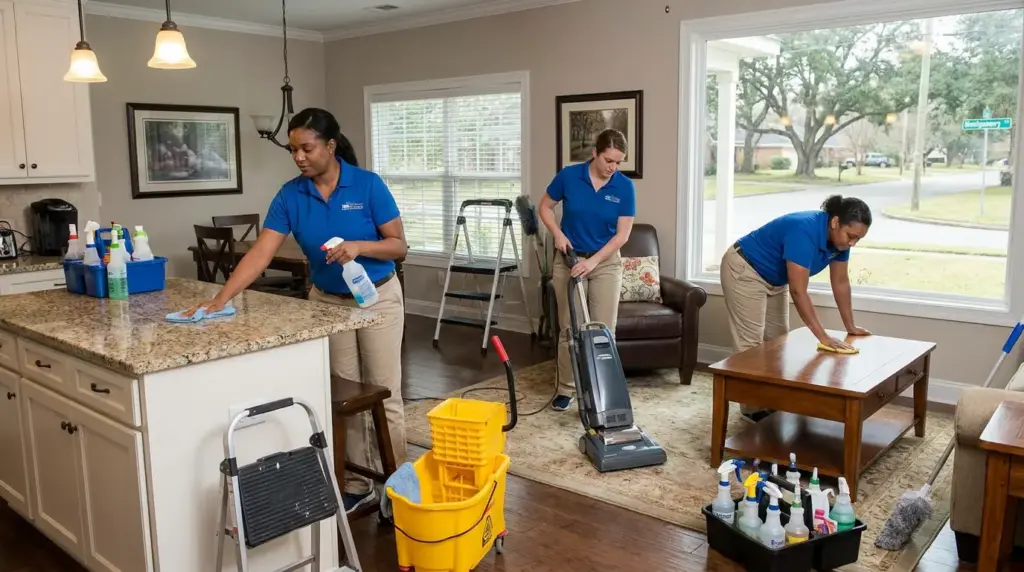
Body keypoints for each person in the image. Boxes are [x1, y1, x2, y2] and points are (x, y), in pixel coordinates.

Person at [185, 107, 407, 513]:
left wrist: (360, 246)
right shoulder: (291, 194)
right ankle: (358, 484)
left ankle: (398, 489)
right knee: (346, 397)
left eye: (307, 148)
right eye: (293, 150)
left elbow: (398, 245)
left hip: (377, 299)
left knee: (384, 393)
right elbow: (261, 253)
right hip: (328, 304)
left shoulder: (367, 185)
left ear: (331, 145)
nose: (299, 157)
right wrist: (222, 298)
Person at [720, 194, 872, 422]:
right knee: (750, 346)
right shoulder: (805, 230)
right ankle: (752, 408)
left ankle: (772, 400)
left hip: (775, 279)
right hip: (746, 269)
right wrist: (823, 337)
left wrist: (850, 326)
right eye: (851, 236)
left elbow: (840, 282)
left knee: (777, 342)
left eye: (858, 239)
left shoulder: (841, 242)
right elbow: (799, 291)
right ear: (835, 222)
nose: (853, 243)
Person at [539, 128, 636, 411]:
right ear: (595, 153)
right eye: (608, 160)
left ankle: (603, 390)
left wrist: (593, 262)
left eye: (618, 162)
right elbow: (545, 207)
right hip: (569, 261)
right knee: (570, 327)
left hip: (605, 264)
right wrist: (557, 233)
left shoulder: (624, 187)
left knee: (604, 330)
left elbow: (622, 235)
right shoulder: (569, 176)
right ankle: (566, 389)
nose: (613, 167)